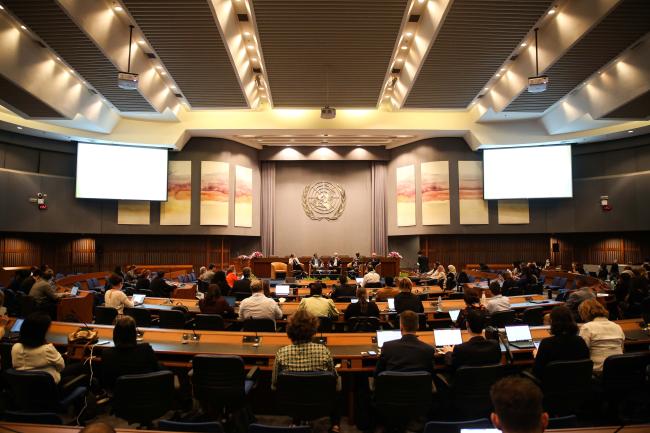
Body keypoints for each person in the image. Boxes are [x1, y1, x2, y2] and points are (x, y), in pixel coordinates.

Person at [272, 309, 340, 432]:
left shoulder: (281, 353)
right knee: (337, 386)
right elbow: (334, 379)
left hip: (291, 402)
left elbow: (275, 384)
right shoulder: (323, 351)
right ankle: (335, 425)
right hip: (321, 401)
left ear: (290, 330)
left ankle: (297, 420)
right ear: (313, 330)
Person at [101, 316, 163, 390]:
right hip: (144, 392)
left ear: (115, 334)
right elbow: (157, 369)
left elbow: (105, 381)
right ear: (134, 334)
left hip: (119, 396)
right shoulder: (146, 349)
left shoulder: (107, 354)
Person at [532, 305, 590, 378]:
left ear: (552, 322)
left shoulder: (546, 343)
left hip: (552, 383)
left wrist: (536, 355)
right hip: (576, 382)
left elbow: (537, 371)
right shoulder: (580, 341)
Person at [375, 310, 435, 375]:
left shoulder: (387, 347)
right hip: (419, 385)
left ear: (401, 326)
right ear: (418, 326)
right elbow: (431, 374)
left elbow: (377, 373)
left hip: (393, 384)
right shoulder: (429, 349)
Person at [11, 312, 65, 383]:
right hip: (50, 387)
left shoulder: (16, 347)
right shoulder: (47, 349)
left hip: (25, 388)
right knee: (80, 368)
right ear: (42, 331)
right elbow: (61, 367)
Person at [578, 299, 624, 373]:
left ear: (584, 313)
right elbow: (622, 348)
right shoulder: (617, 326)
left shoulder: (587, 327)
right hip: (619, 369)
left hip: (597, 371)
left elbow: (582, 351)